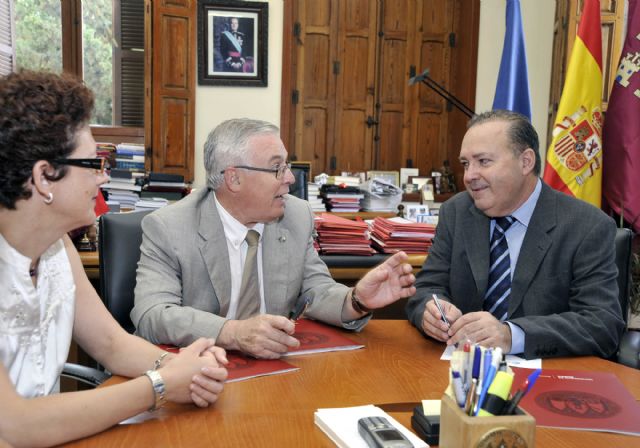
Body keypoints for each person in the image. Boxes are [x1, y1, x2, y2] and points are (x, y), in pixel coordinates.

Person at [0, 71, 228, 447]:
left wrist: (187, 369)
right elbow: (15, 425)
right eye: (94, 164)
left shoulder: (58, 248)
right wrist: (161, 385)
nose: (103, 179)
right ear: (44, 177)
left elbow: (111, 343)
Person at [132, 118, 417, 359]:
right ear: (234, 179)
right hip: (198, 368)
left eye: (287, 165)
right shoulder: (170, 227)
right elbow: (152, 314)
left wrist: (356, 300)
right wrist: (233, 333)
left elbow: (315, 290)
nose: (290, 178)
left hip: (272, 368)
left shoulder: (296, 215)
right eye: (277, 167)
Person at [406, 110, 624, 359]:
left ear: (526, 162)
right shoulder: (456, 212)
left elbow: (602, 324)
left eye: (483, 161)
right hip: (461, 368)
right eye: (466, 164)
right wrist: (430, 311)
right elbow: (427, 287)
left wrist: (512, 335)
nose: (469, 176)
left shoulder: (586, 226)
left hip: (546, 371)